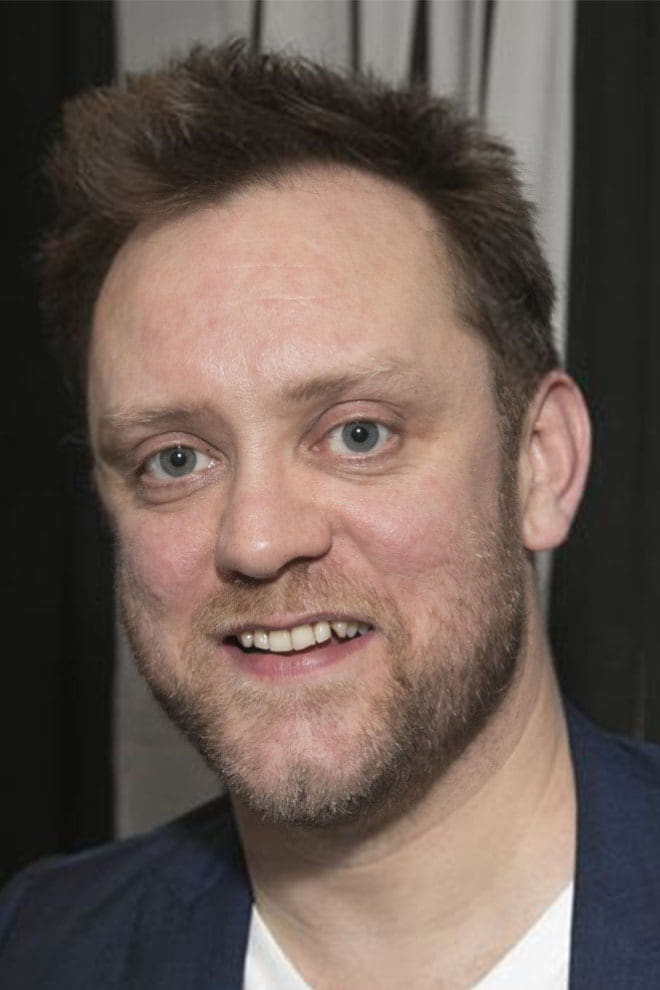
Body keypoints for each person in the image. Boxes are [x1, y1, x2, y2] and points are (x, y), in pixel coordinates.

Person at [1, 39, 659, 990]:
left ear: (540, 464)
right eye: (176, 459)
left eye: (357, 434)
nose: (257, 539)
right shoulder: (40, 951)